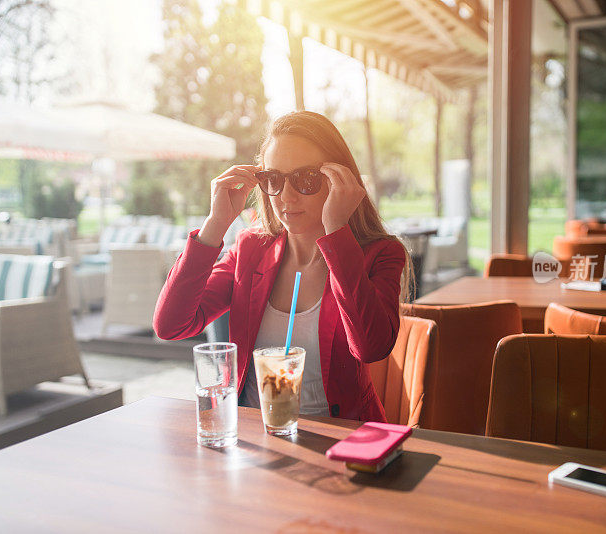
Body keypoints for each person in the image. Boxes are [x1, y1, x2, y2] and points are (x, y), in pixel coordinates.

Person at [153, 111, 412, 422]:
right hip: (254, 438)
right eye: (273, 179)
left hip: (343, 440)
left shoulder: (381, 254)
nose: (286, 196)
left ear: (338, 180)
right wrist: (215, 225)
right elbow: (171, 325)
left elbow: (371, 348)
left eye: (306, 179)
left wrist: (337, 231)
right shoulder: (251, 249)